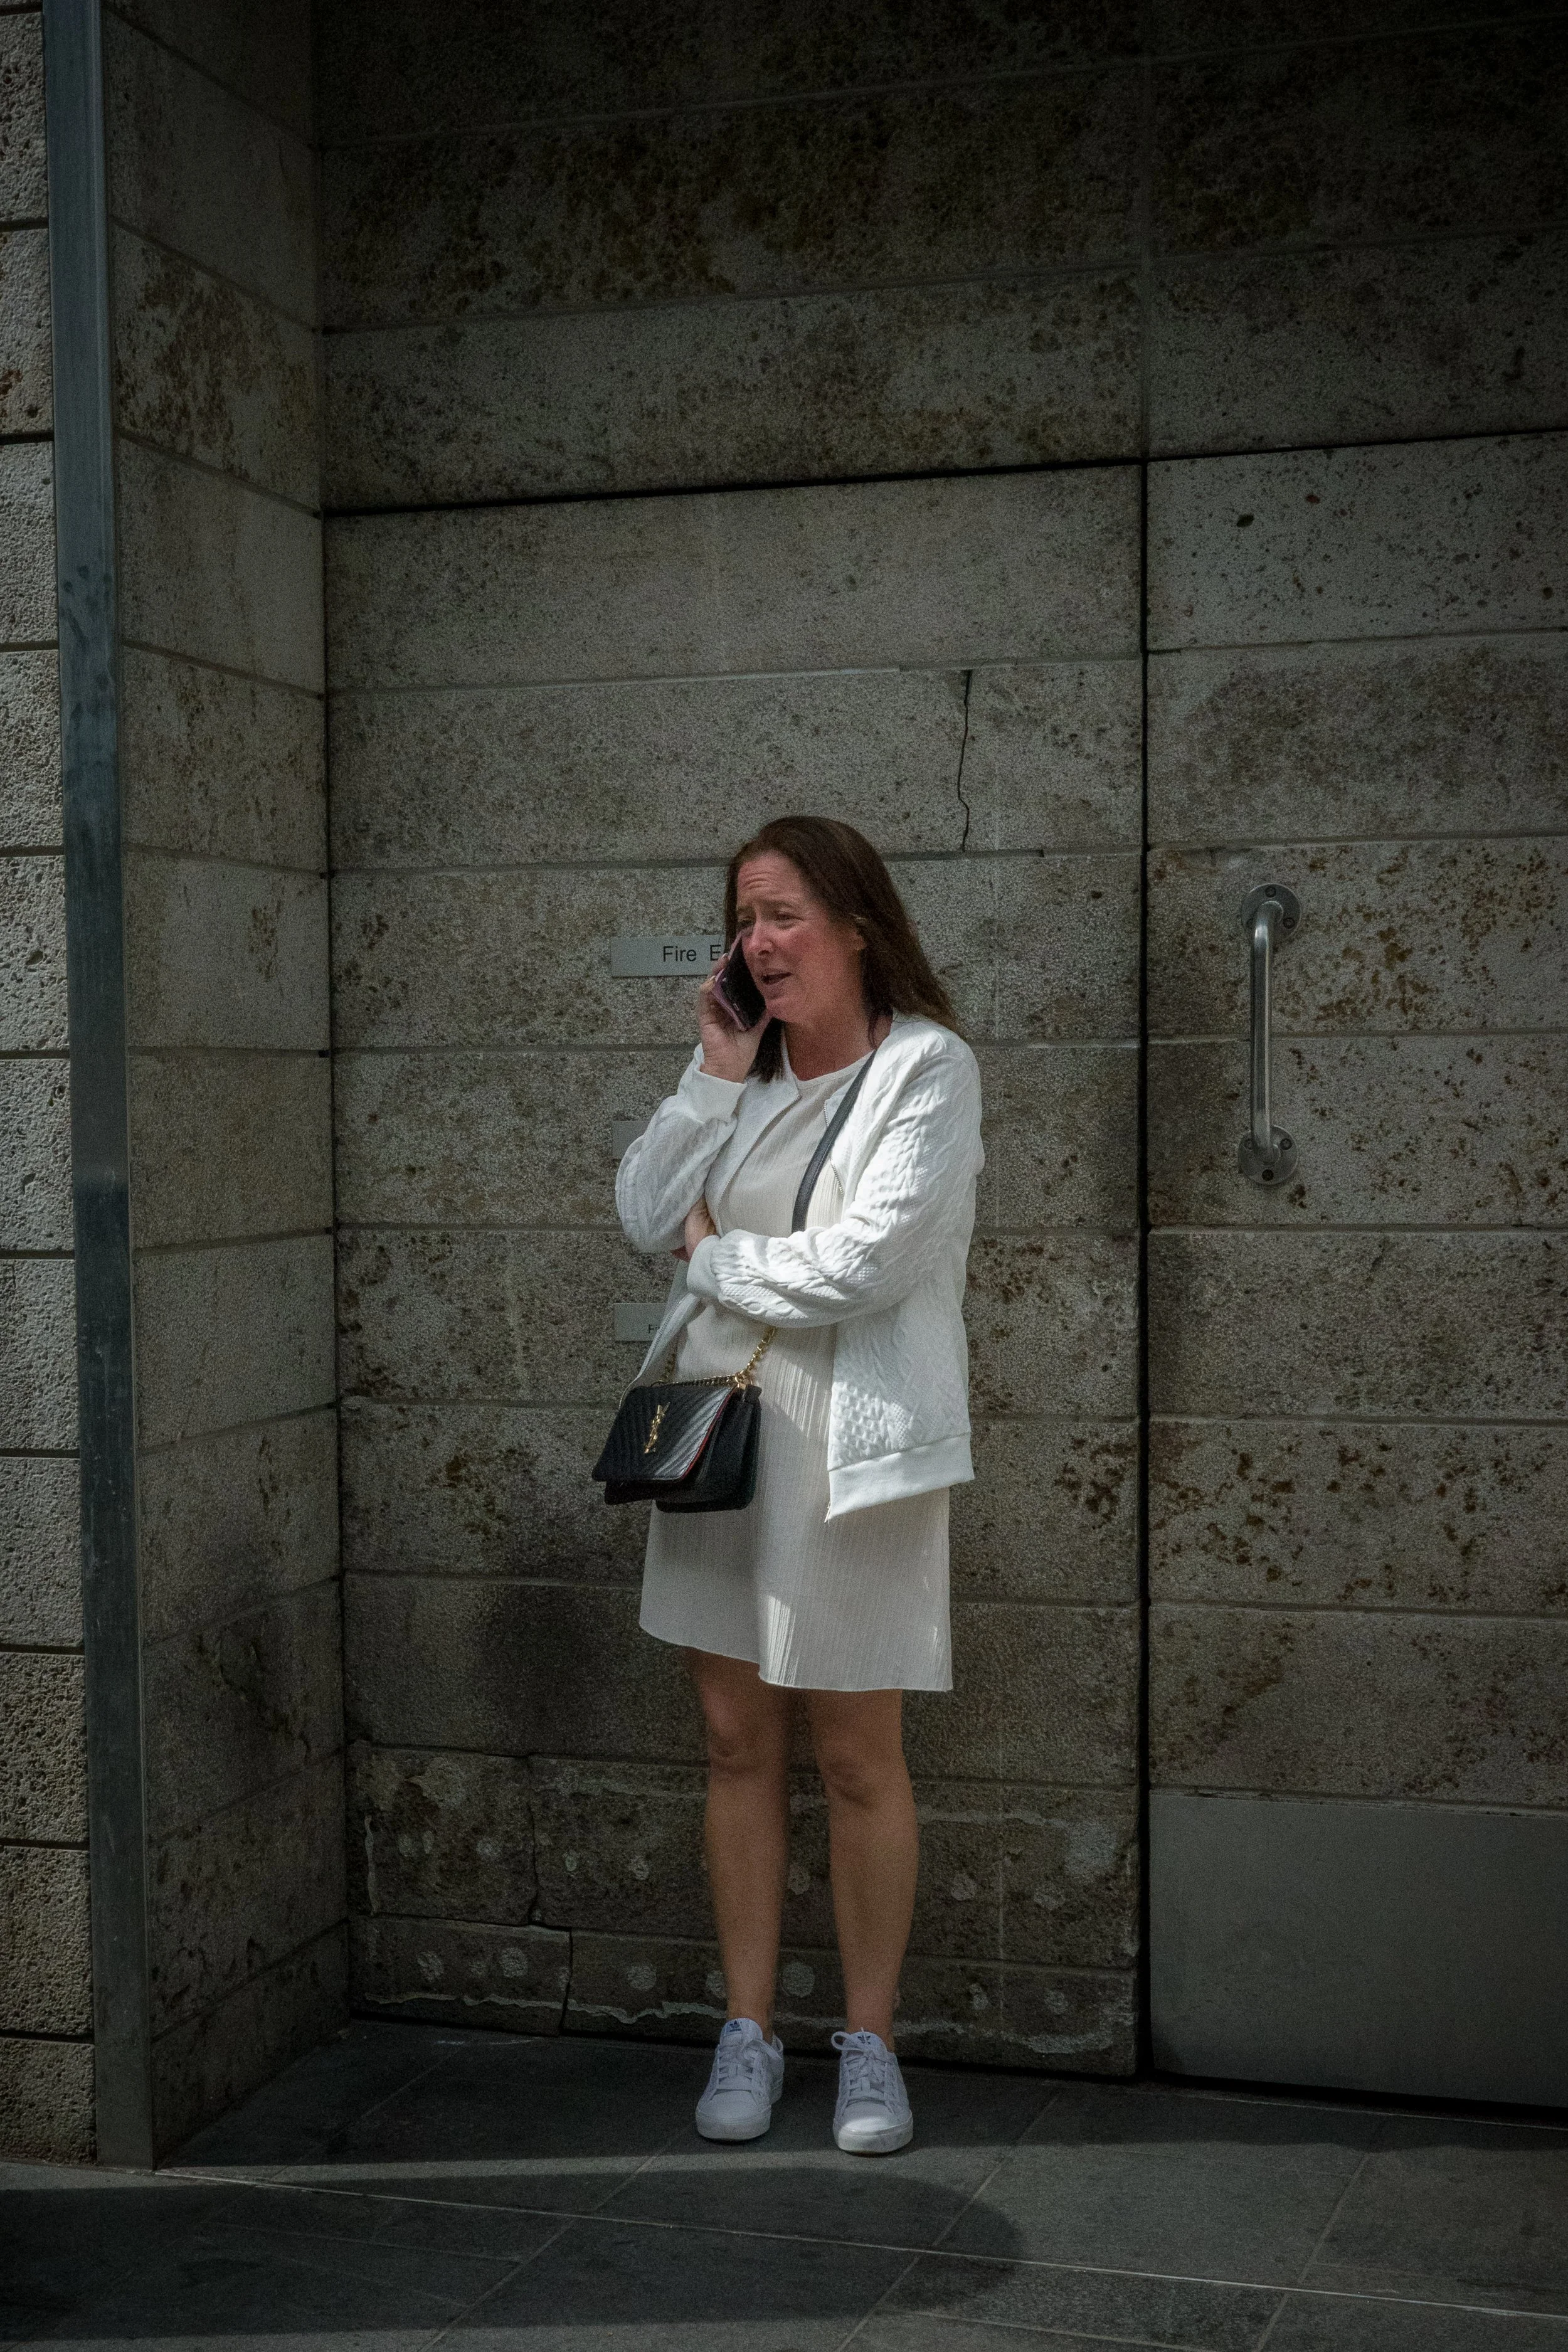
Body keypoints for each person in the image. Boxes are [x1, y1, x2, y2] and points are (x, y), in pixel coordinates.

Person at [615, 815, 983, 2156]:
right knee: (733, 1744)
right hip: (718, 1438)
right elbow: (643, 1205)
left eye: (780, 915)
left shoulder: (927, 1074)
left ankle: (869, 2042)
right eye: (742, 920)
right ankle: (748, 2027)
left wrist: (710, 1261)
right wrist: (711, 1081)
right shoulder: (742, 1071)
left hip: (851, 1453)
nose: (756, 945)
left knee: (855, 1754)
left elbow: (861, 1269)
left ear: (855, 923)